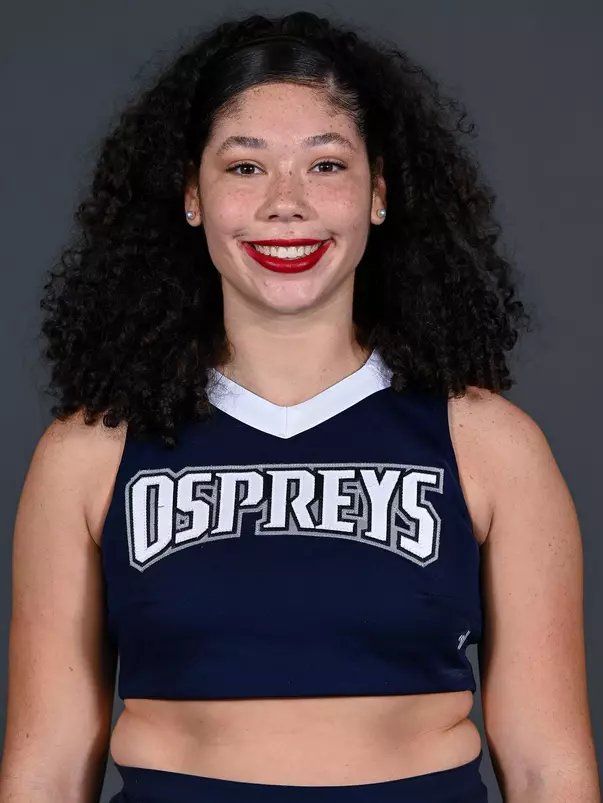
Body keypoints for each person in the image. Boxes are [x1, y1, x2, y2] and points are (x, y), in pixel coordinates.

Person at [0, 10, 599, 803]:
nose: (286, 203)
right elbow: (44, 770)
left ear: (377, 193)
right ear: (192, 195)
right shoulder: (90, 450)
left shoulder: (488, 444)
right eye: (245, 167)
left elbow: (548, 767)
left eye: (325, 164)